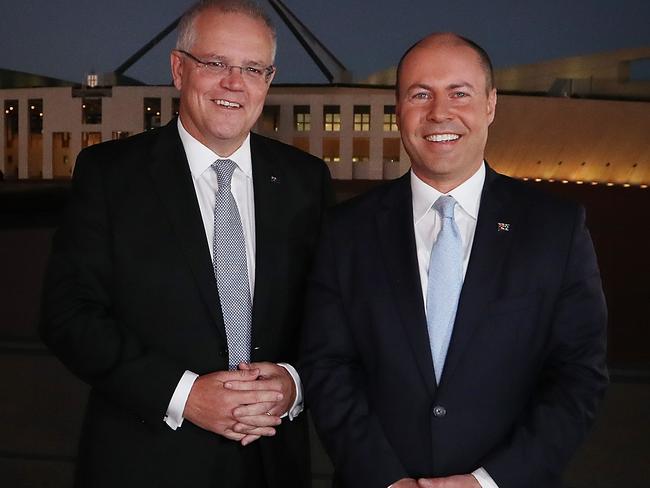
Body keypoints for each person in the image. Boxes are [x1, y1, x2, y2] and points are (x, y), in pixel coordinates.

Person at [40, 1, 331, 487]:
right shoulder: (111, 176)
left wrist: (293, 382)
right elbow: (68, 314)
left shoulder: (306, 182)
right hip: (145, 463)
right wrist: (185, 394)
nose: (234, 83)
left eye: (252, 68)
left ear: (268, 79)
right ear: (179, 69)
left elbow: (332, 313)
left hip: (271, 463)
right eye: (216, 63)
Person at [300, 33, 607, 488]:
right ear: (398, 110)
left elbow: (578, 376)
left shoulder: (555, 229)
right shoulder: (345, 231)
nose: (439, 112)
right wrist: (385, 479)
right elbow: (327, 368)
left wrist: (489, 481)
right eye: (420, 94)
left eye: (459, 93)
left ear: (490, 105)